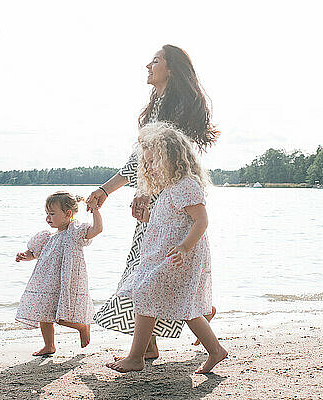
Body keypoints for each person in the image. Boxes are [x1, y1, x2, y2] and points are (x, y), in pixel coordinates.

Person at [87, 44, 219, 358]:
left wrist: (141, 192)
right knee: (145, 269)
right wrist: (108, 190)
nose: (148, 64)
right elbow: (139, 160)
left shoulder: (175, 109)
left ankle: (181, 323)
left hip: (168, 199)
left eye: (156, 60)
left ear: (171, 69)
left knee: (146, 271)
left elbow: (168, 159)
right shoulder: (156, 108)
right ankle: (159, 338)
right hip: (157, 195)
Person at [106, 122, 227, 373]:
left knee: (147, 294)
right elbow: (171, 220)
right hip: (163, 256)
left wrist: (184, 248)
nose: (148, 168)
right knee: (184, 307)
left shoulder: (185, 185)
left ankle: (136, 357)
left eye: (153, 162)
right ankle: (216, 351)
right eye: (146, 163)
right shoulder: (168, 188)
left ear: (172, 160)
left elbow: (201, 221)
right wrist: (148, 219)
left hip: (178, 257)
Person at [15, 191, 102, 356]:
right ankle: (49, 346)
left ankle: (82, 326)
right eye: (47, 213)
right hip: (46, 283)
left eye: (52, 214)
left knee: (62, 318)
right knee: (44, 315)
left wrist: (95, 211)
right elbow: (34, 253)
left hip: (66, 281)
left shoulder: (74, 232)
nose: (48, 217)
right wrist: (24, 256)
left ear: (68, 214)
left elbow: (97, 229)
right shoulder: (47, 237)